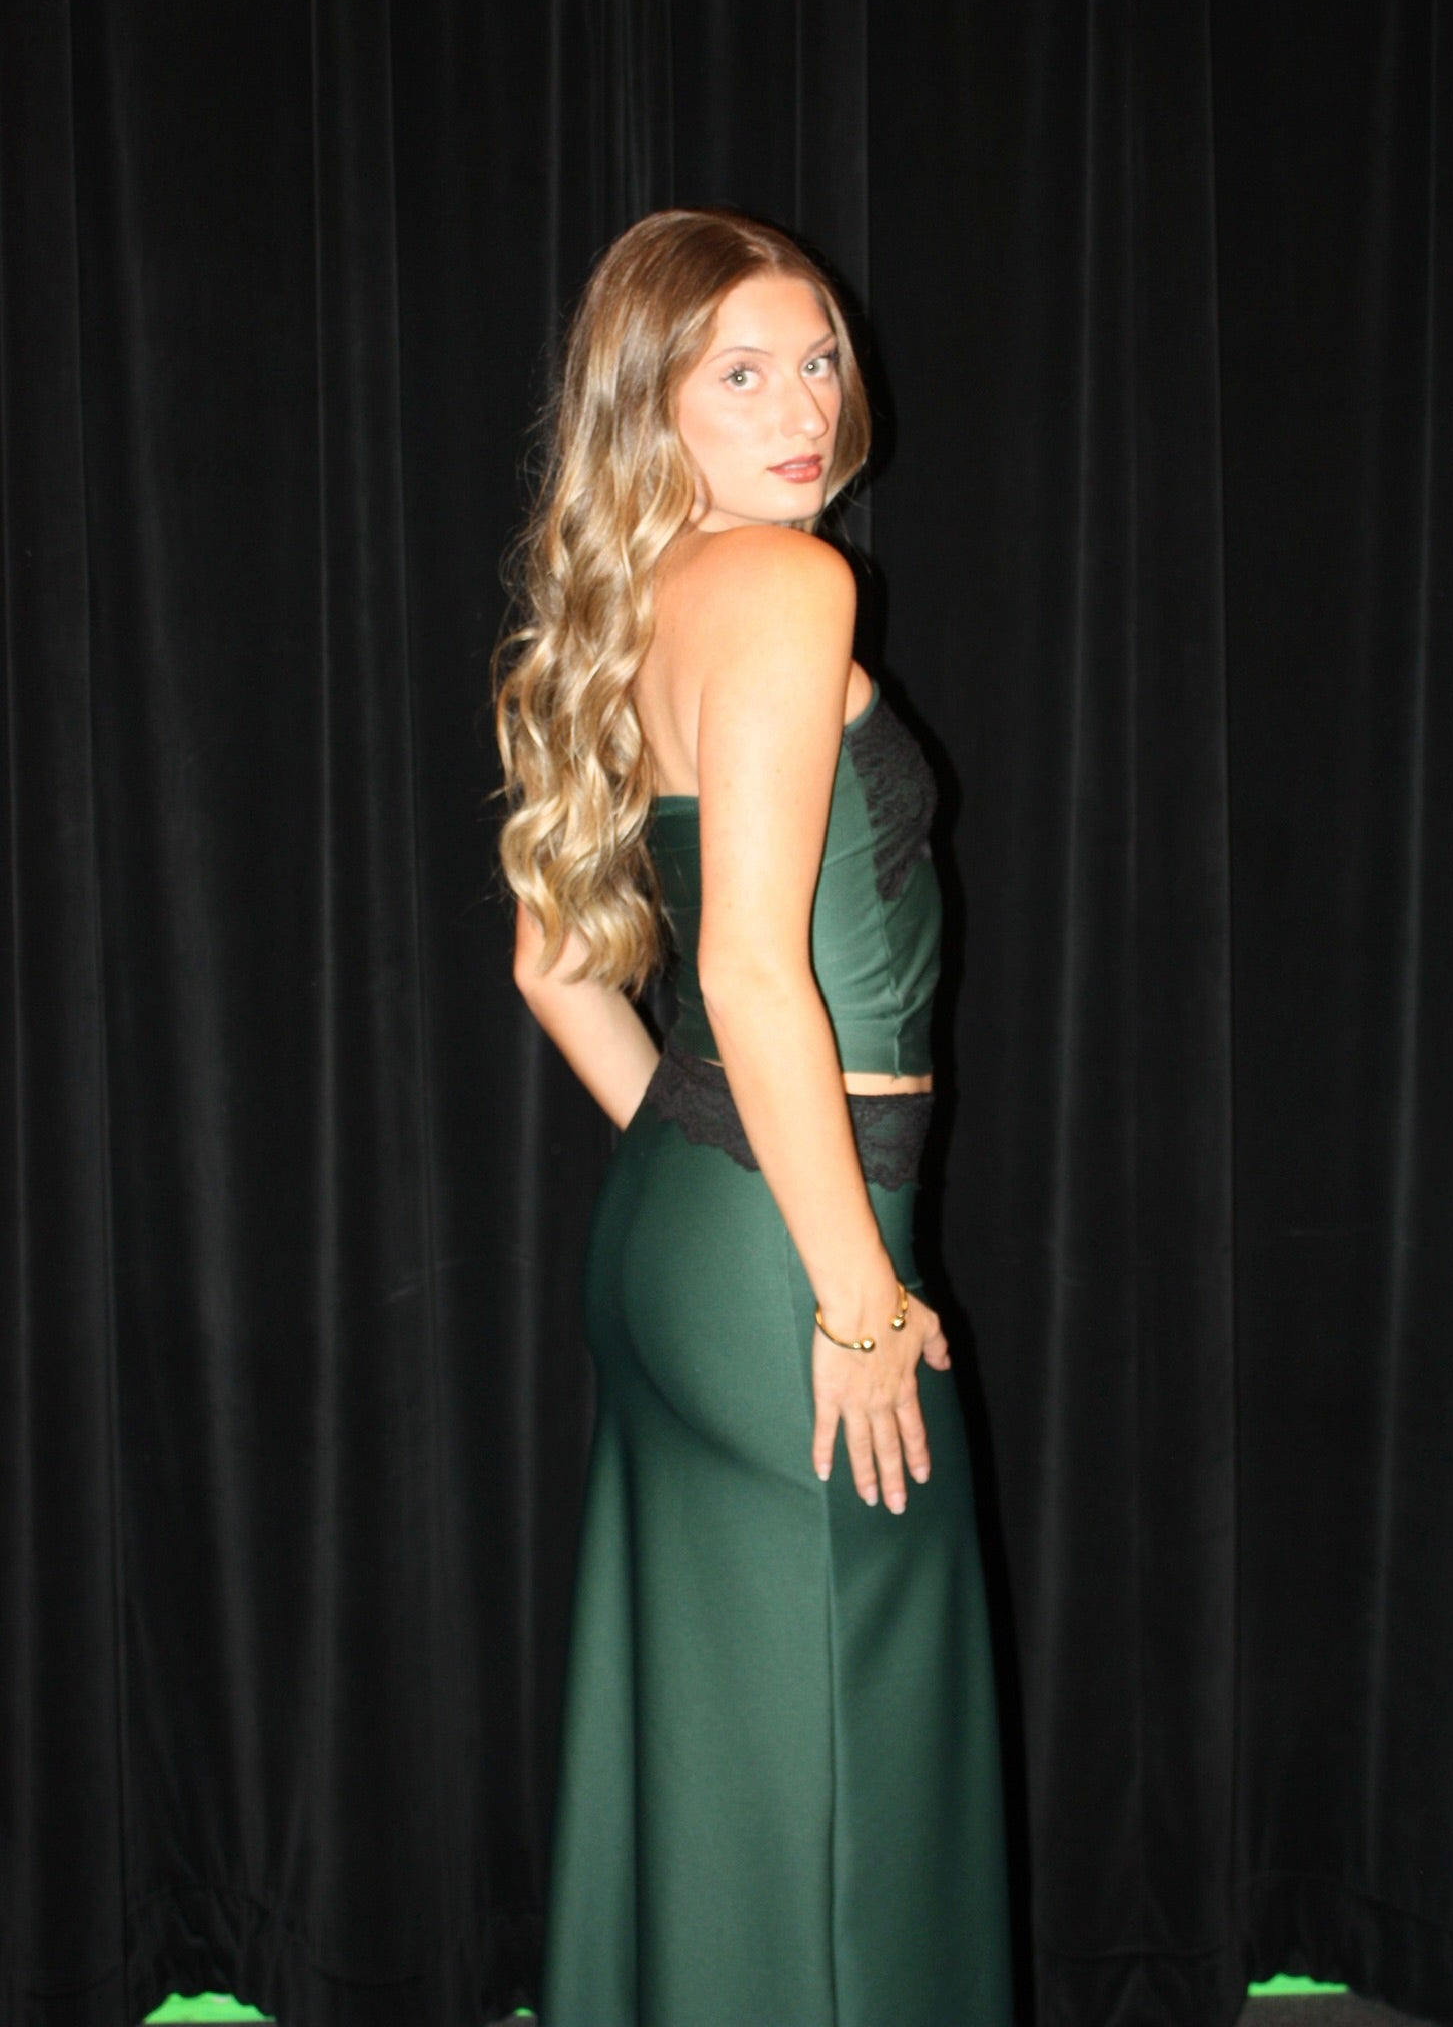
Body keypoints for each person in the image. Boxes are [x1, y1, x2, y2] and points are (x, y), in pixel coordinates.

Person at [492, 206, 1012, 2027]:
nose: (803, 409)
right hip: (798, 1249)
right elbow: (745, 972)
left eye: (818, 362)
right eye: (741, 374)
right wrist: (858, 1304)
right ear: (650, 404)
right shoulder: (790, 586)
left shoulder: (620, 610)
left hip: (692, 1230)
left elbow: (554, 968)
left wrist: (700, 1148)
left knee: (729, 1744)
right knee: (859, 1764)